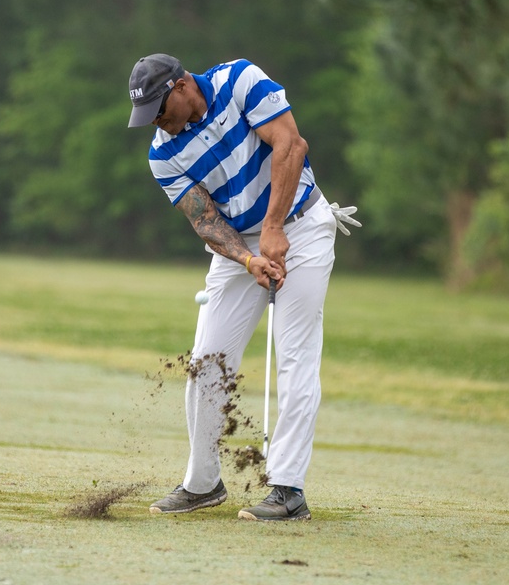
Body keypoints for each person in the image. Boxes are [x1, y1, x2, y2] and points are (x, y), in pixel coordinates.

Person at [127, 53, 360, 521]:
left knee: (294, 356)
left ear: (180, 86)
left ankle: (288, 489)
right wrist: (251, 258)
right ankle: (203, 482)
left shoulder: (239, 80)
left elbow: (290, 145)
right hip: (239, 247)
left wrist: (273, 228)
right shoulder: (162, 153)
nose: (157, 122)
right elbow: (205, 220)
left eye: (159, 108)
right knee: (206, 360)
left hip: (303, 225)